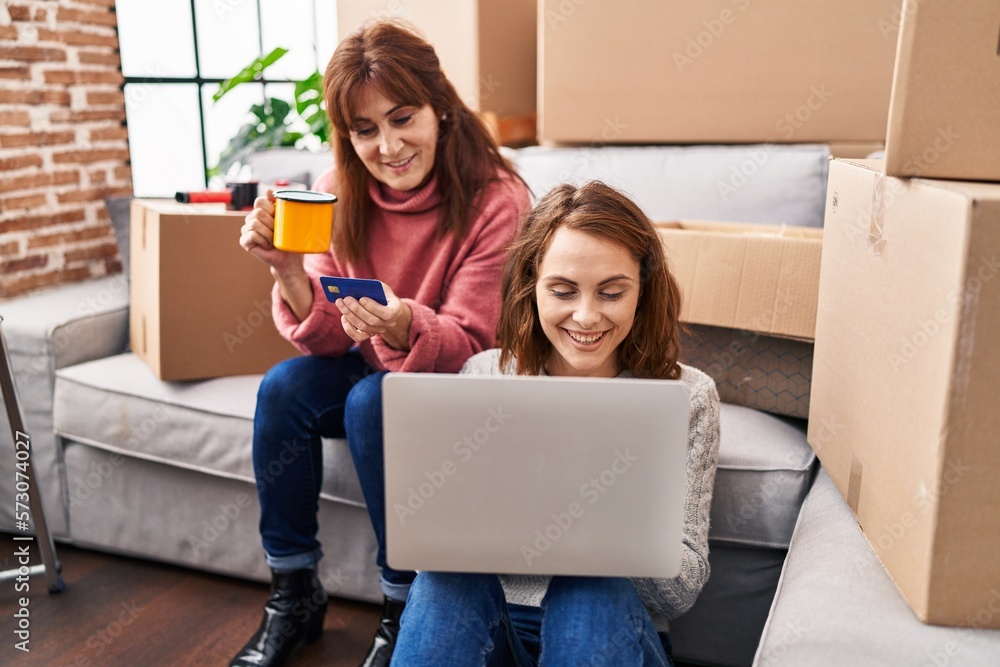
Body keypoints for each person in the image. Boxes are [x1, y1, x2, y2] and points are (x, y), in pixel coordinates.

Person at [231, 18, 529, 667]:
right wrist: (286, 267)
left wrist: (401, 323)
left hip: (455, 386)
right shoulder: (337, 190)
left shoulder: (496, 199)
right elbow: (328, 335)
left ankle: (404, 604)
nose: (388, 146)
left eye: (402, 118)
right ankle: (295, 593)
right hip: (375, 365)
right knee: (284, 387)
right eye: (364, 130)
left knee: (375, 400)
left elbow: (476, 341)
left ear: (440, 109)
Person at [391, 181, 721, 667]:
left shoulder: (687, 396)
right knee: (444, 579)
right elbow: (433, 555)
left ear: (642, 292)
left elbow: (680, 593)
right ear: (532, 286)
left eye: (611, 293)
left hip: (610, 634)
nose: (586, 317)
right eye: (563, 291)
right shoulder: (484, 376)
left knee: (587, 589)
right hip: (498, 632)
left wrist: (594, 528)